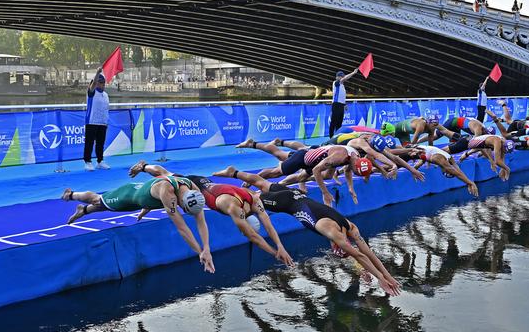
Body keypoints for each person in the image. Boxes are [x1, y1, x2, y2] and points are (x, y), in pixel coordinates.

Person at [213, 167, 402, 296]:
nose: (335, 247)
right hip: (286, 203)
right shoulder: (332, 232)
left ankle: (234, 172)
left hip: (296, 195)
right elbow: (359, 255)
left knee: (261, 182)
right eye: (339, 249)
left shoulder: (350, 227)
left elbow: (368, 253)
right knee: (253, 198)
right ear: (339, 244)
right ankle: (229, 192)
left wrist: (388, 276)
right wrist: (380, 279)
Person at [128, 162, 295, 267]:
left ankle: (146, 176)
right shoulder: (233, 209)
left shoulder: (254, 198)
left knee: (167, 173)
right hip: (194, 189)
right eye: (242, 229)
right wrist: (275, 254)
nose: (241, 230)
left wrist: (280, 246)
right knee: (165, 177)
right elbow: (253, 236)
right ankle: (144, 166)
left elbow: (268, 224)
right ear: (244, 219)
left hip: (205, 182)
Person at [60, 175, 215, 273]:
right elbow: (182, 228)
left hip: (146, 200)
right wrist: (199, 252)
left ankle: (83, 211)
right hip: (130, 195)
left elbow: (201, 220)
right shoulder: (168, 194)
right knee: (97, 200)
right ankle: (71, 195)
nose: (183, 210)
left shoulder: (192, 189)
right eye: (184, 209)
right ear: (181, 201)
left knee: (107, 206)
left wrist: (207, 248)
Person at [83, 67, 110, 171]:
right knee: (89, 143)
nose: (103, 84)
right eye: (100, 82)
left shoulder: (106, 95)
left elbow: (106, 108)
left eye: (103, 83)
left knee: (100, 143)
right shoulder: (92, 92)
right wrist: (98, 72)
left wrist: (106, 121)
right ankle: (88, 162)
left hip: (102, 122)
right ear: (96, 83)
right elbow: (93, 84)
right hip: (92, 121)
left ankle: (100, 161)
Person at [330, 69, 359, 137]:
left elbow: (342, 96)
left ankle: (338, 136)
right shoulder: (336, 83)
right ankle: (331, 136)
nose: (342, 78)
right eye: (341, 76)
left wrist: (344, 104)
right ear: (337, 77)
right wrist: (353, 73)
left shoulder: (342, 86)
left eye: (342, 76)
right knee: (334, 122)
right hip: (336, 104)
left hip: (341, 105)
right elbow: (345, 78)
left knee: (339, 122)